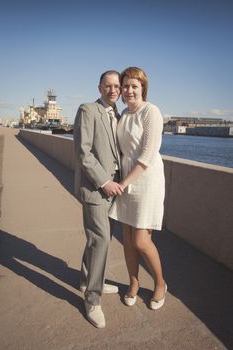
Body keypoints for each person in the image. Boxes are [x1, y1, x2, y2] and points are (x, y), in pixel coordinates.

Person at [109, 67, 167, 310]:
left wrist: (123, 182)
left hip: (146, 181)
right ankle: (133, 283)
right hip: (126, 181)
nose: (129, 90)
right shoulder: (123, 113)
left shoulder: (150, 112)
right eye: (126, 86)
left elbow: (146, 156)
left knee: (141, 240)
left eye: (134, 86)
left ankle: (161, 284)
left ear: (143, 88)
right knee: (127, 238)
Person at [73, 70, 123, 328]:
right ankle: (92, 299)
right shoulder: (88, 110)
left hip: (114, 190)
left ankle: (86, 278)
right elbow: (83, 152)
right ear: (100, 87)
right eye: (108, 85)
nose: (113, 90)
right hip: (96, 188)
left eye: (116, 86)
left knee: (97, 238)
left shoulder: (119, 114)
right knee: (101, 239)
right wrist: (104, 182)